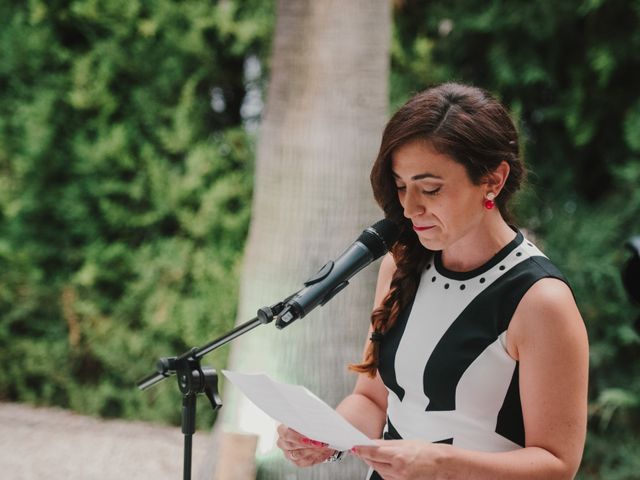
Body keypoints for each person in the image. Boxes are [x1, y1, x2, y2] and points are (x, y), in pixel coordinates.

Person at [276, 82, 589, 479]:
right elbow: (372, 401)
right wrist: (324, 435)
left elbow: (558, 464)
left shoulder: (541, 301)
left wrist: (442, 465)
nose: (409, 208)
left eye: (430, 189)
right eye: (402, 186)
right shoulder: (400, 266)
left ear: (493, 181)